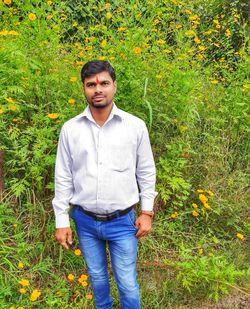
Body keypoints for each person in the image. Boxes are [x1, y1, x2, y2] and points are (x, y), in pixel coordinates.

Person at [52, 60, 157, 309]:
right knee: (97, 279)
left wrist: (146, 211)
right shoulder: (70, 129)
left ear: (114, 86)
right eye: (91, 84)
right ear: (84, 89)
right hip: (85, 221)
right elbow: (63, 176)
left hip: (123, 222)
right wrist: (61, 221)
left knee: (127, 282)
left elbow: (146, 171)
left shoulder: (135, 126)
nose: (97, 89)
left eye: (104, 83)